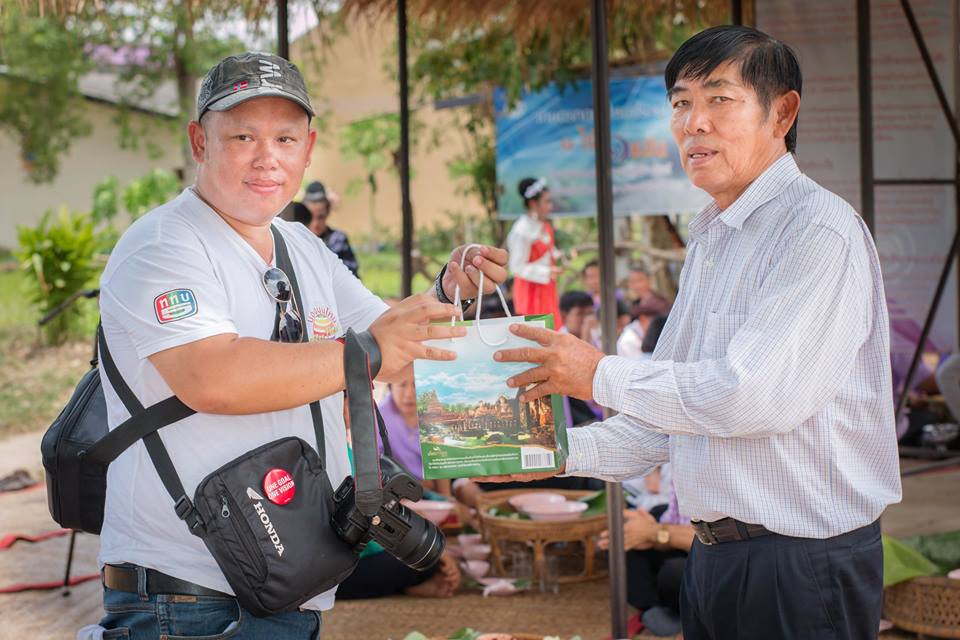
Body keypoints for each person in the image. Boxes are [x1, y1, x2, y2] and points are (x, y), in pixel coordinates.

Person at [493, 26, 901, 640]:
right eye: (681, 103)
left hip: (800, 564)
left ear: (782, 113)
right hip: (715, 556)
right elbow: (666, 422)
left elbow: (749, 397)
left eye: (719, 99)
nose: (693, 123)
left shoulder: (817, 231)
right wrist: (548, 454)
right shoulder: (713, 235)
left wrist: (596, 373)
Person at [94, 51, 508, 639]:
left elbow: (387, 335)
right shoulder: (164, 244)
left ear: (308, 149)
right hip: (192, 597)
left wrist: (447, 291)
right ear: (199, 142)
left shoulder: (301, 246)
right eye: (243, 136)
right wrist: (368, 351)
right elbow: (211, 376)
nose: (267, 157)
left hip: (288, 576)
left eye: (285, 139)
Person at [506, 177, 561, 327]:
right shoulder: (521, 230)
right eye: (546, 202)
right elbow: (516, 267)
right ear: (533, 204)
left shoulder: (543, 225)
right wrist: (547, 271)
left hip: (546, 287)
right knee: (536, 331)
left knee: (551, 329)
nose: (550, 206)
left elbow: (547, 252)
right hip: (531, 290)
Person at [302, 180, 360, 277]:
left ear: (327, 213)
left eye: (320, 217)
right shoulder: (296, 240)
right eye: (310, 217)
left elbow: (351, 274)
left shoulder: (338, 240)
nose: (315, 224)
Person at [617, 294, 670, 360]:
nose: (661, 325)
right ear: (643, 319)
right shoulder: (629, 341)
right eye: (657, 321)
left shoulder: (640, 335)